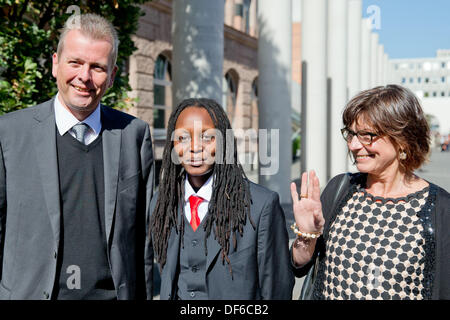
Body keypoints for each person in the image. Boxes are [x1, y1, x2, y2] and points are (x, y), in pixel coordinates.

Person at [0, 13, 154, 300]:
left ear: (112, 76)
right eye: (75, 63)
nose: (85, 77)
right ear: (56, 64)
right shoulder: (9, 134)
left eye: (97, 67)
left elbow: (142, 241)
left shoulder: (134, 135)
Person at [290, 85, 450, 300]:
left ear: (402, 140)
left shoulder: (440, 209)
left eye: (367, 135)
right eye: (351, 134)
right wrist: (307, 236)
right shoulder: (341, 188)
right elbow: (300, 264)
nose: (354, 145)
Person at [149, 98, 294, 300]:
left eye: (207, 137)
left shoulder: (260, 206)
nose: (194, 147)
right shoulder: (160, 204)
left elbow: (276, 290)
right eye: (182, 138)